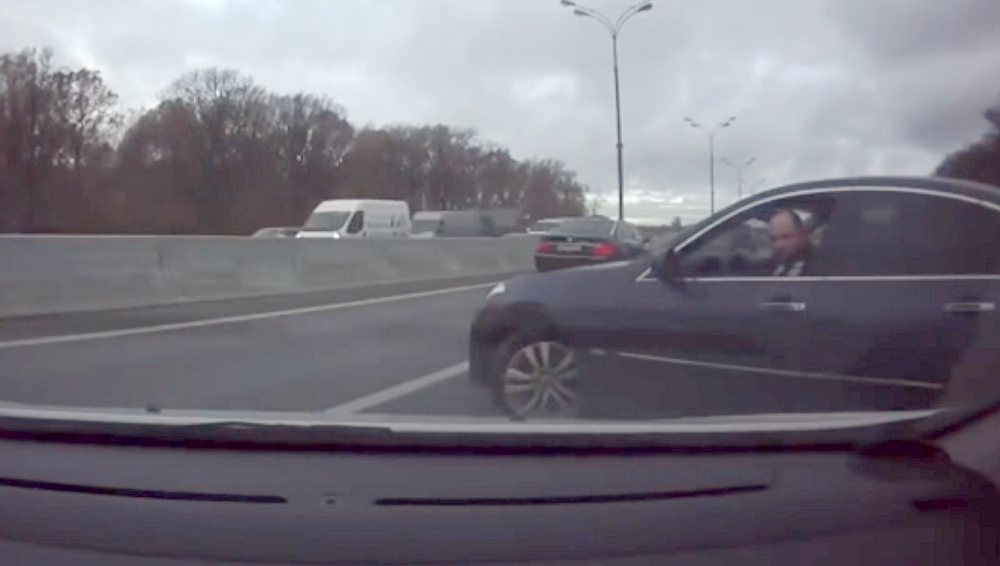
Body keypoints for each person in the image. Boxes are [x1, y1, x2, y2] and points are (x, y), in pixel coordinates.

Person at [767, 209, 812, 276]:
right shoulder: (765, 268)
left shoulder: (819, 268)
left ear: (801, 234)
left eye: (785, 237)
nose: (778, 245)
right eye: (773, 239)